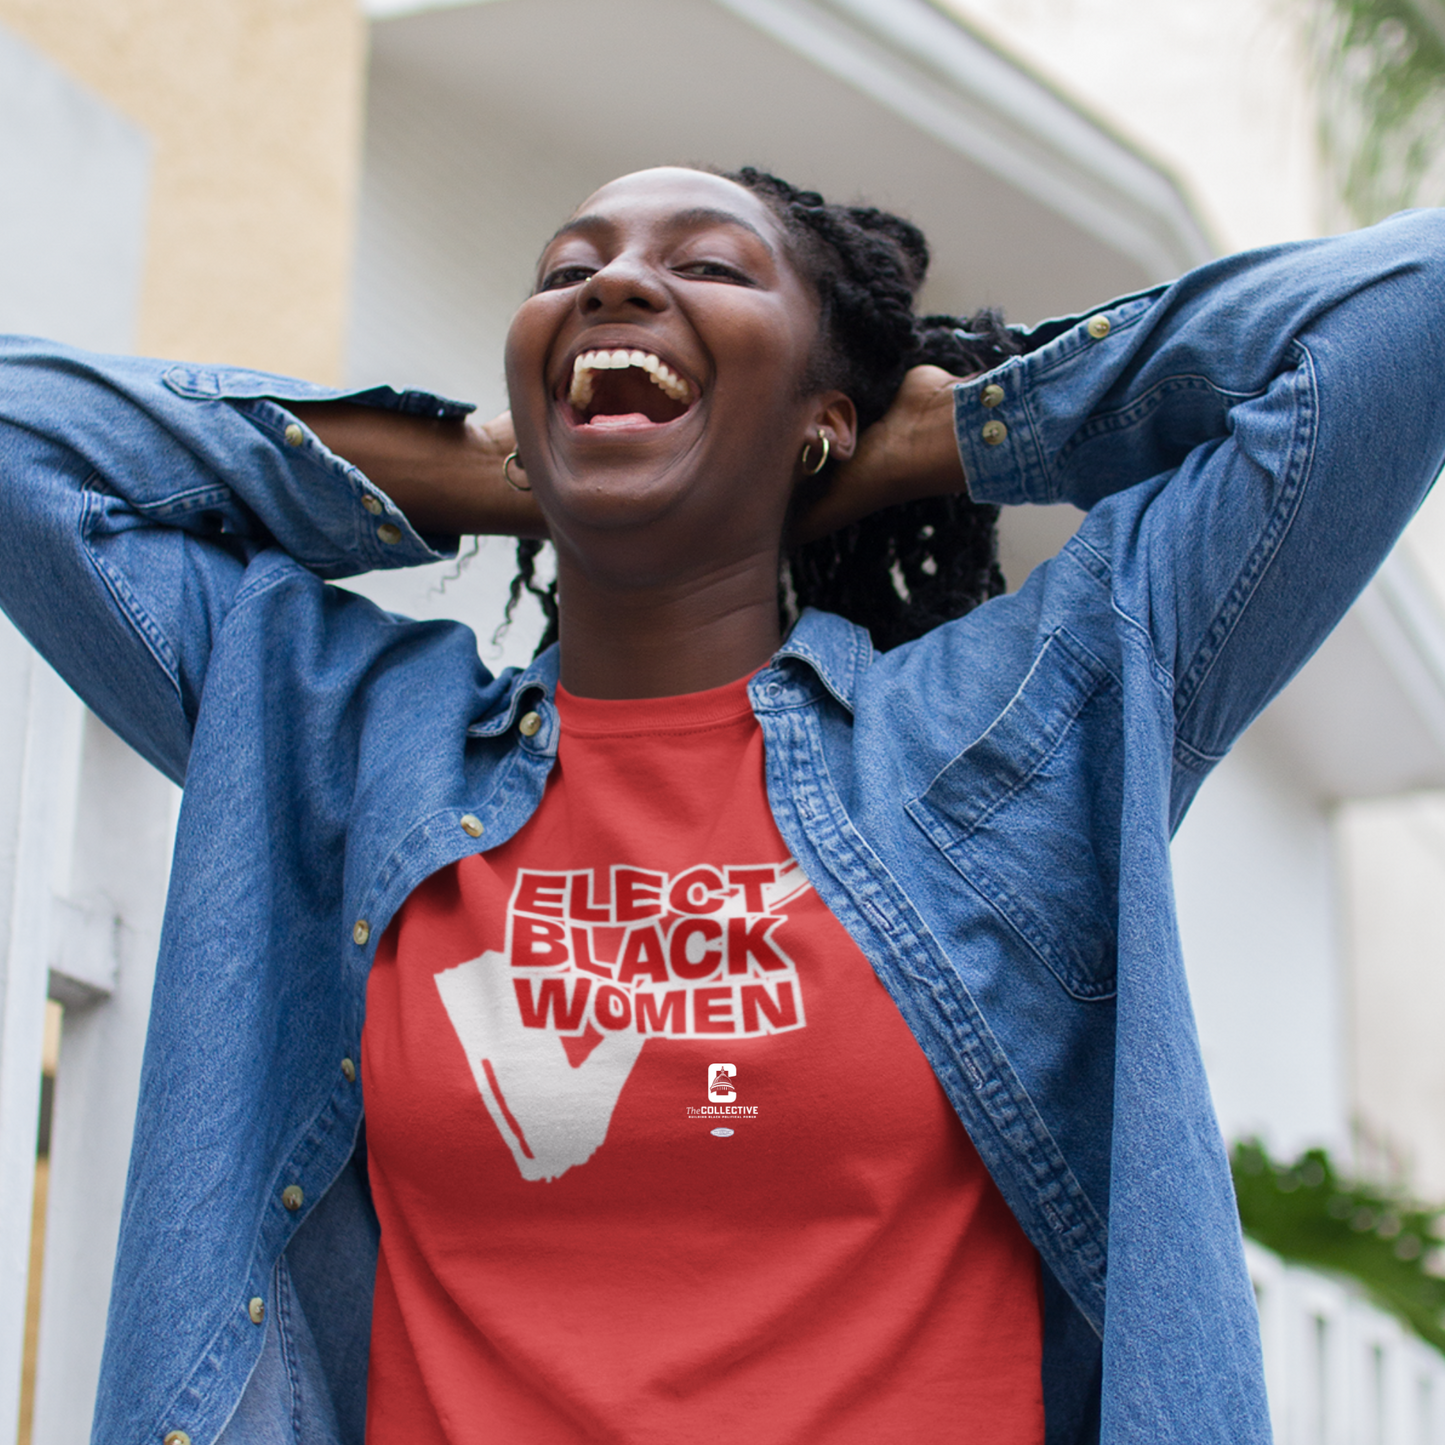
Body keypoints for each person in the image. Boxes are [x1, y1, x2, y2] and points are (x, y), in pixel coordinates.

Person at [1, 163, 1442, 1445]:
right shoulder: (346, 746)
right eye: (570, 271)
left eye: (706, 265)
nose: (618, 280)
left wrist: (950, 435)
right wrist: (479, 470)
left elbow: (1400, 317)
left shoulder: (1012, 734)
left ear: (824, 417)